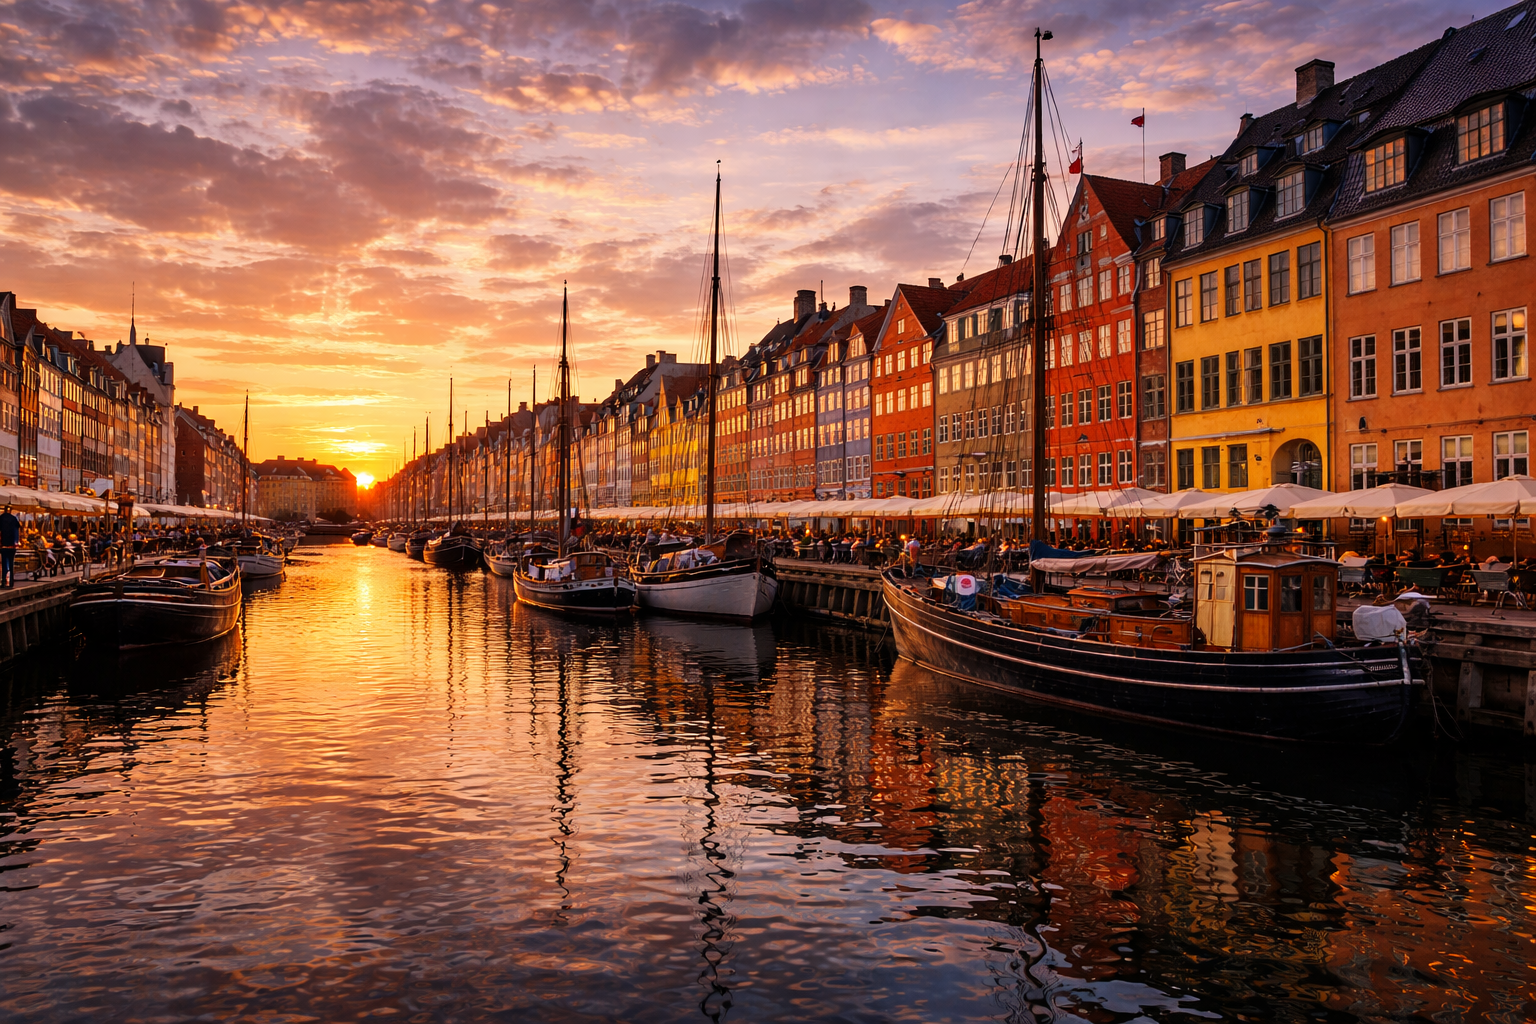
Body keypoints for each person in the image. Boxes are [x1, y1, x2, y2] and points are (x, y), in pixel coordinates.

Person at [0, 504, 18, 588]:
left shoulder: (1, 518)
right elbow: (17, 532)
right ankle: (11, 582)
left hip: (3, 545)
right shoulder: (14, 519)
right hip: (12, 546)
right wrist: (16, 542)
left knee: (4, 563)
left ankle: (3, 581)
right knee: (11, 564)